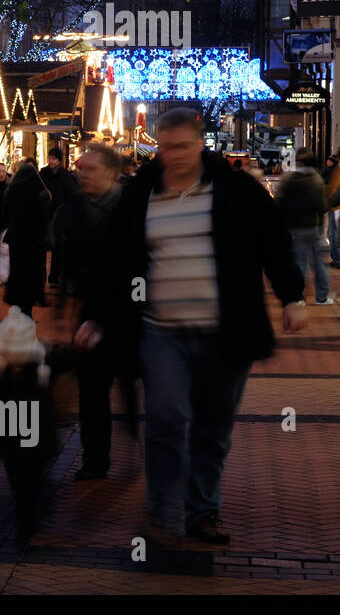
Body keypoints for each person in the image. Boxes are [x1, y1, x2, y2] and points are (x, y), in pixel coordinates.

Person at [77, 108, 306, 547]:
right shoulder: (141, 194)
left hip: (226, 331)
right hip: (161, 330)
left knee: (213, 427)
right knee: (166, 417)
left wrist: (292, 296)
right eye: (165, 148)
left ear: (200, 143)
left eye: (181, 147)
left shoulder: (237, 191)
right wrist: (96, 314)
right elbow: (116, 260)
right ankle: (164, 516)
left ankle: (203, 509)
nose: (173, 156)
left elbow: (273, 243)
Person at [57, 143, 123, 480]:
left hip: (128, 312)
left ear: (111, 173)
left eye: (91, 169)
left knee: (137, 385)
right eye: (81, 168)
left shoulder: (130, 208)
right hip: (89, 310)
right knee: (92, 389)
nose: (83, 174)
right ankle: (95, 459)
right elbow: (71, 262)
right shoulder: (76, 208)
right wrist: (68, 306)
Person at [275, 149, 337, 305]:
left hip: (294, 227)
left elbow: (279, 202)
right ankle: (321, 297)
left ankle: (297, 297)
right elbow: (321, 205)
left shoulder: (289, 179)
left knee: (298, 262)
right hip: (313, 227)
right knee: (319, 264)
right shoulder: (316, 179)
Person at [3, 159, 52, 314]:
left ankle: (17, 299)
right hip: (35, 240)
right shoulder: (40, 194)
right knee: (33, 271)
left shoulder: (12, 192)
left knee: (17, 269)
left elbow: (6, 211)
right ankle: (31, 299)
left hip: (17, 237)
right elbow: (47, 211)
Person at [40, 147, 78, 287]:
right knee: (43, 248)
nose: (51, 161)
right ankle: (41, 278)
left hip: (59, 216)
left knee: (57, 248)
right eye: (50, 158)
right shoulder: (43, 173)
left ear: (59, 160)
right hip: (45, 215)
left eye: (54, 159)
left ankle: (54, 277)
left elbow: (71, 195)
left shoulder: (65, 175)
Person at [323, 152, 340, 269]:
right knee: (332, 233)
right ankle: (336, 258)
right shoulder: (328, 172)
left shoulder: (336, 173)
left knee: (334, 234)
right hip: (332, 206)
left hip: (335, 207)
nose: (327, 162)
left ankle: (337, 259)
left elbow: (335, 192)